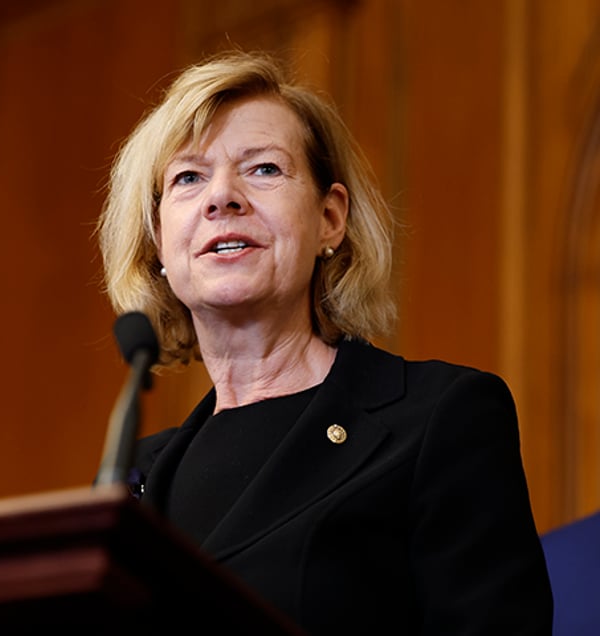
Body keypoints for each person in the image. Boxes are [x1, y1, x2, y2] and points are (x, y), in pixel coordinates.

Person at [96, 49, 553, 635]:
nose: (221, 198)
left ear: (330, 219)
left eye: (263, 169)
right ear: (159, 242)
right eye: (188, 177)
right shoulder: (129, 477)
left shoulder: (440, 417)